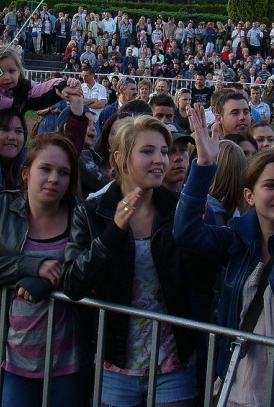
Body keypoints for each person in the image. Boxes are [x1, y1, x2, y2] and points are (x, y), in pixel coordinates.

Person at [174, 107, 274, 405]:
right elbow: (186, 233)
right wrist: (203, 166)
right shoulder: (236, 238)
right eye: (270, 185)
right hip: (241, 376)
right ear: (249, 196)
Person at [63, 115, 215, 407]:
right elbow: (73, 282)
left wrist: (194, 232)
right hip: (116, 364)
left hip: (173, 363)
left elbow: (203, 282)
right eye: (147, 151)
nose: (160, 160)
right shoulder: (92, 212)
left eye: (163, 151)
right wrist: (114, 233)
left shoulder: (179, 211)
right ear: (120, 158)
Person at [0, 134, 92, 405]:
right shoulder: (2, 208)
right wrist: (29, 266)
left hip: (67, 359)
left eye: (63, 172)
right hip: (12, 357)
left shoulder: (81, 215)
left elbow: (86, 273)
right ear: (26, 173)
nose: (54, 178)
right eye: (45, 168)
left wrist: (48, 282)